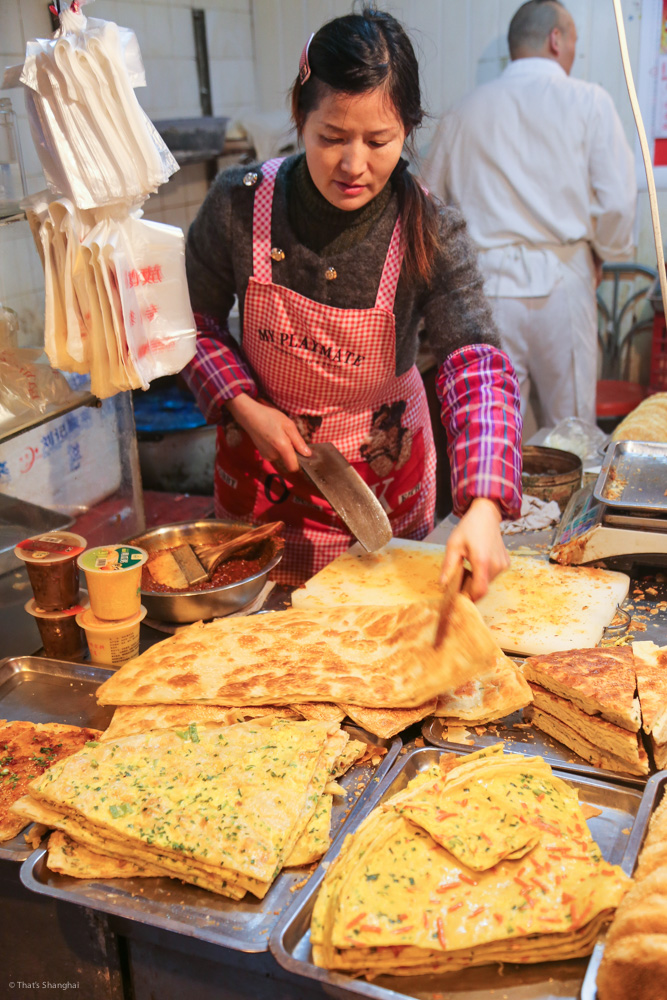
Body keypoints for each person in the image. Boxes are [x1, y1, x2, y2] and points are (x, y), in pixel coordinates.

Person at [183, 7, 522, 597]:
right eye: (332, 137)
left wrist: (486, 503)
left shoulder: (431, 230)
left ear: (409, 129)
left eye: (379, 140)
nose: (353, 164)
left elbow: (474, 364)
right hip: (265, 475)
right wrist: (242, 405)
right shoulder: (237, 207)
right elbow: (190, 322)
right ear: (299, 116)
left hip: (380, 491)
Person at [423, 0, 636, 428]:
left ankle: (500, 497)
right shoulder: (589, 101)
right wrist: (602, 252)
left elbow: (427, 206)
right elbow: (616, 202)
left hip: (486, 286)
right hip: (564, 283)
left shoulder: (462, 112)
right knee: (572, 428)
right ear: (556, 40)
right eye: (574, 39)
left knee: (497, 426)